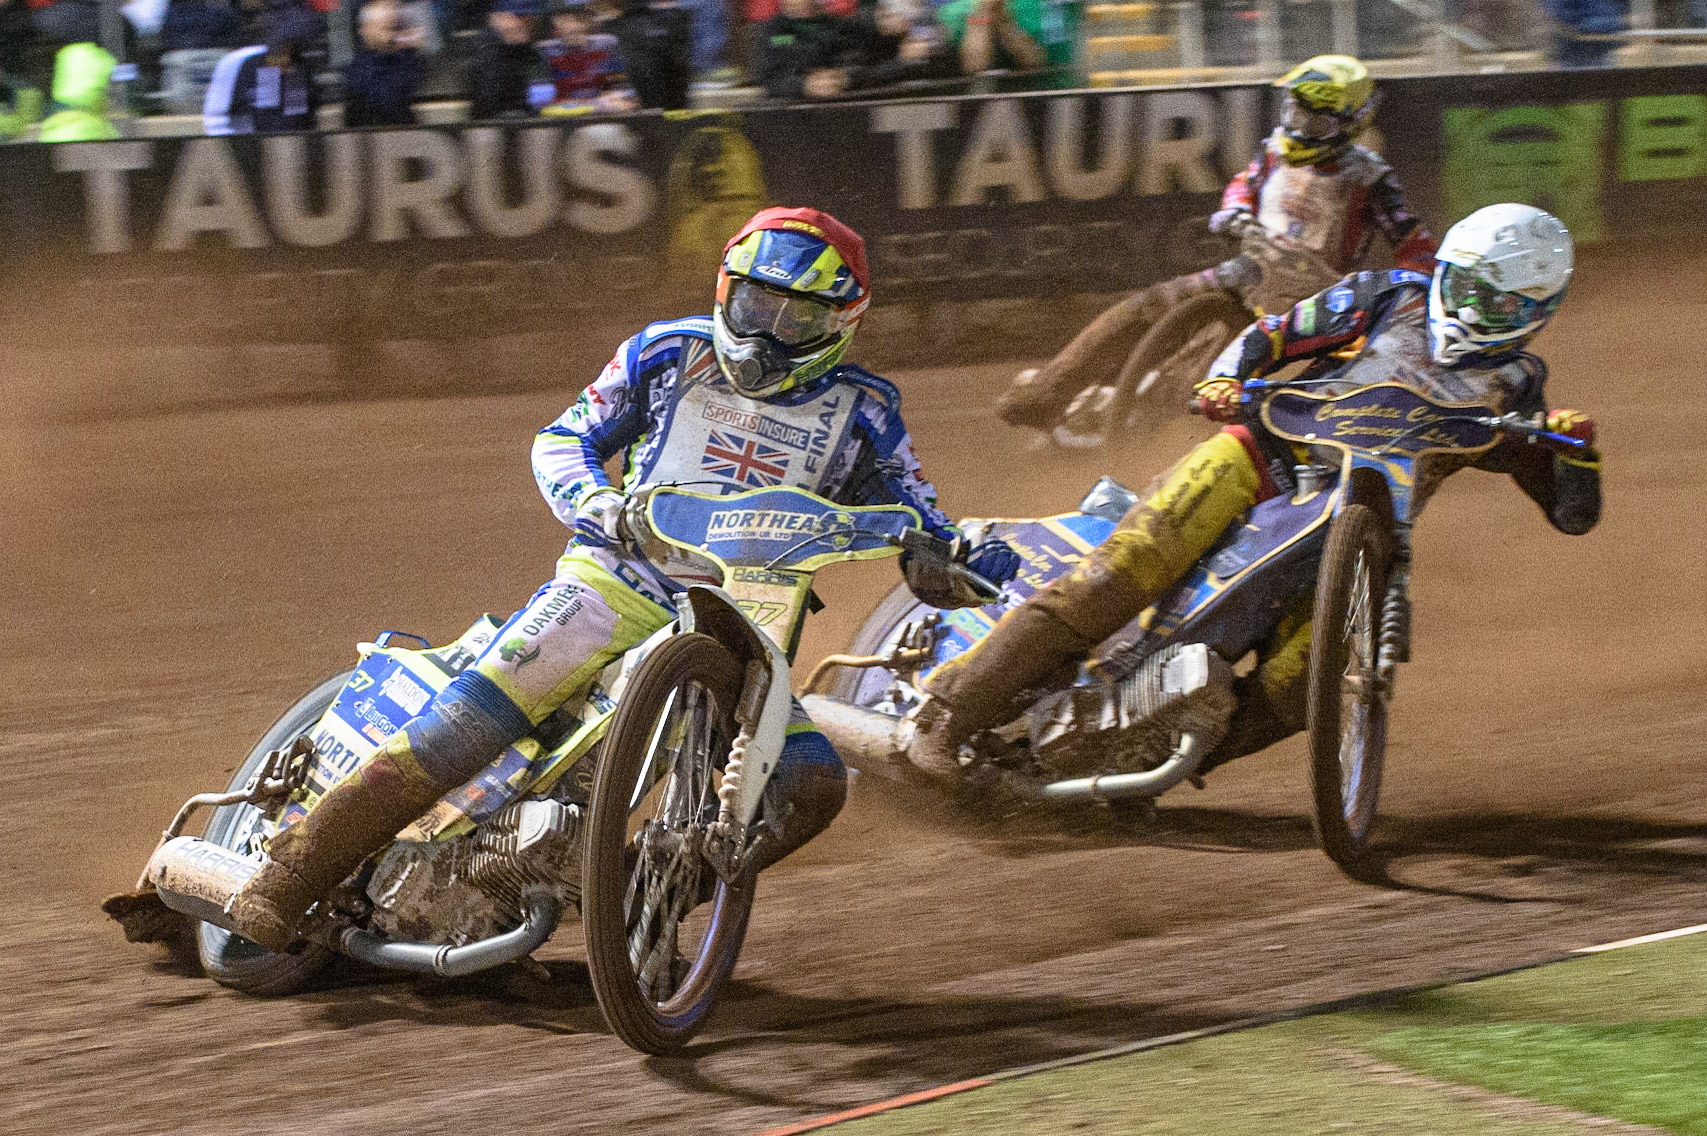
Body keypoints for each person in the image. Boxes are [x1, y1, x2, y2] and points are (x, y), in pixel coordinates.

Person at [222, 207, 1023, 953]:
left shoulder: (868, 411)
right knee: (488, 708)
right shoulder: (667, 352)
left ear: (841, 322)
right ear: (725, 293)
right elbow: (562, 439)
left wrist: (955, 563)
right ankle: (292, 871)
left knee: (812, 784)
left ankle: (648, 903)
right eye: (753, 307)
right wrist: (598, 503)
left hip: (750, 619)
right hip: (618, 576)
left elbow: (923, 522)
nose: (767, 333)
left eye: (796, 318)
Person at [906, 203, 1600, 780]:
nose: (1480, 309)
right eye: (1472, 287)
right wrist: (1222, 379)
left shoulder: (1517, 384)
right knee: (1114, 576)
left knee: (1301, 685)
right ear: (1447, 270)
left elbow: (1571, 516)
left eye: (1504, 303)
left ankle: (1138, 762)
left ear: (1536, 310)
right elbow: (1273, 335)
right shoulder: (1386, 295)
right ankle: (947, 716)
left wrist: (1575, 455)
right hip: (1257, 458)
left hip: (1362, 534)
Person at [998, 54, 1439, 430]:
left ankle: (1141, 430)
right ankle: (1046, 393)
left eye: (1316, 121)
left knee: (1197, 382)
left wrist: (1416, 280)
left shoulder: (1370, 177)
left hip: (1310, 299)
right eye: (1295, 114)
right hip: (1252, 267)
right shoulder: (1275, 151)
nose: (1300, 127)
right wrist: (1234, 211)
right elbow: (1244, 184)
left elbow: (1410, 235)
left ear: (1351, 125)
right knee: (1145, 307)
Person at [537, 0, 632, 109]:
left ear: (588, 22)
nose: (572, 27)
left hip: (605, 108)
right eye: (565, 21)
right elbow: (540, 96)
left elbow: (624, 83)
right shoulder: (546, 51)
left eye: (579, 20)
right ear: (555, 23)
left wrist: (619, 97)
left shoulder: (607, 44)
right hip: (563, 111)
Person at [343, 0, 422, 126]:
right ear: (365, 29)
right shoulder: (360, 68)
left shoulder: (406, 58)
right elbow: (386, 99)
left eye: (396, 28)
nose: (392, 16)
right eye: (386, 27)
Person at [754, 0, 852, 101]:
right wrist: (804, 85)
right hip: (790, 107)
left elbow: (857, 65)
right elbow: (769, 80)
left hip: (838, 101)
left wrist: (841, 78)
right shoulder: (773, 30)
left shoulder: (836, 26)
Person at [601, 0, 691, 109]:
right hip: (624, 94)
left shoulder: (667, 18)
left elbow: (678, 64)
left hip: (660, 94)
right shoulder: (608, 26)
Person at [467, 0, 539, 119]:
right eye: (517, 17)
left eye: (528, 18)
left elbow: (536, 95)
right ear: (496, 19)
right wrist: (508, 47)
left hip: (526, 119)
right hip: (490, 121)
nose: (522, 24)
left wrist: (522, 48)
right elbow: (487, 99)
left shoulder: (530, 48)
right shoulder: (484, 48)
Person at [38, 39, 117, 139]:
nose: (110, 99)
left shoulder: (54, 126)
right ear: (96, 87)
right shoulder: (91, 130)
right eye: (106, 85)